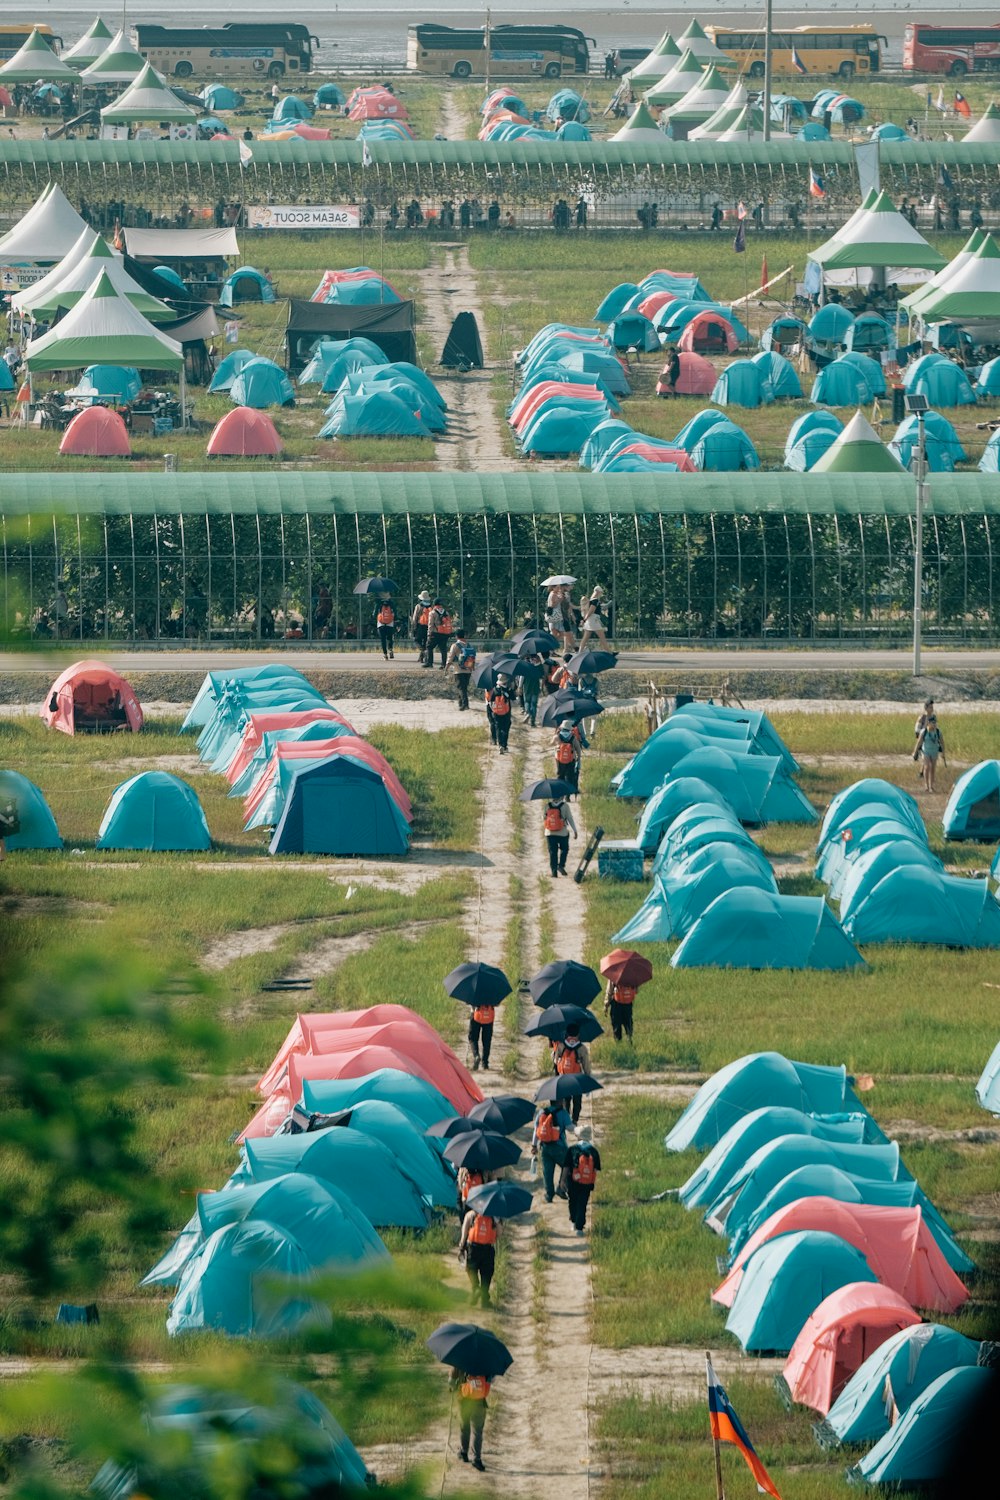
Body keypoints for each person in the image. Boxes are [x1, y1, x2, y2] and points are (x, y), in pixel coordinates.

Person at [560, 1124, 601, 1234]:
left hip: (573, 1181)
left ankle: (573, 1221)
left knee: (572, 1201)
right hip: (587, 1183)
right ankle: (579, 1228)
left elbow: (567, 1166)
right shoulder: (594, 1151)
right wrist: (590, 1180)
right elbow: (595, 1169)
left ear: (578, 1136)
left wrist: (562, 1180)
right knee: (583, 1203)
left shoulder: (572, 1149)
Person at [531, 1098, 574, 1202]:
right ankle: (560, 1188)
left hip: (544, 1147)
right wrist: (578, 1128)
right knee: (569, 1167)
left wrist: (534, 1145)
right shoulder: (563, 1113)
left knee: (548, 1172)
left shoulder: (542, 1112)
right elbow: (569, 1128)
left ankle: (549, 1195)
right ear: (559, 1102)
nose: (563, 1101)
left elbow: (537, 1130)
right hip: (559, 1147)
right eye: (562, 1100)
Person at [449, 1366, 490, 1470]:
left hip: (464, 1400)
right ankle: (477, 1459)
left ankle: (463, 1453)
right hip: (479, 1401)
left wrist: (453, 1387)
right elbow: (490, 1380)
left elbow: (451, 1381)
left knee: (464, 1426)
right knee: (477, 1431)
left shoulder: (460, 1359)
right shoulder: (486, 1360)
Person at [458, 1207, 498, 1309]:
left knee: (471, 1269)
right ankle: (484, 1300)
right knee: (486, 1274)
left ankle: (475, 1288)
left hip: (473, 1248)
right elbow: (500, 1233)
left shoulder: (471, 1215)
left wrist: (462, 1245)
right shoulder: (495, 1217)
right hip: (488, 1249)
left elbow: (465, 1231)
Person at [554, 1027, 591, 1124]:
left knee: (566, 1099)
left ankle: (566, 1119)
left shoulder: (561, 1045)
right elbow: (586, 1065)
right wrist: (588, 1080)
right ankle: (575, 1120)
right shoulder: (582, 1048)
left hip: (564, 1077)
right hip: (577, 1078)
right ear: (578, 1035)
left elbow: (555, 1060)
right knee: (577, 1101)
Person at [544, 793, 577, 878]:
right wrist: (575, 830)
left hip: (550, 833)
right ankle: (561, 865)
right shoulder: (565, 806)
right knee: (564, 849)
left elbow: (544, 818)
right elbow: (570, 818)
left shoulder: (547, 805)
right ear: (562, 797)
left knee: (552, 852)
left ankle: (554, 872)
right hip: (562, 832)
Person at [913, 709, 946, 793]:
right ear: (928, 723)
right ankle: (926, 786)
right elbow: (919, 742)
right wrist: (915, 752)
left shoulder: (938, 732)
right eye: (933, 723)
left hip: (934, 752)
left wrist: (943, 753)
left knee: (933, 769)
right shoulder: (924, 732)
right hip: (926, 751)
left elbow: (942, 743)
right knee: (927, 767)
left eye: (935, 723)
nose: (934, 724)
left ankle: (931, 786)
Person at [446, 629, 476, 709]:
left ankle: (465, 705)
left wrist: (446, 668)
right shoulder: (469, 645)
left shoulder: (455, 645)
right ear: (464, 635)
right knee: (463, 687)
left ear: (456, 636)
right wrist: (472, 667)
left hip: (458, 670)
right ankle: (460, 703)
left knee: (461, 688)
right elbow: (472, 657)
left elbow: (450, 658)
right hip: (468, 669)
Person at [604, 976, 638, 1042]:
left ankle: (618, 1042)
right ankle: (629, 1037)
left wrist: (606, 1005)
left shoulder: (614, 974)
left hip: (616, 1003)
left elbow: (609, 991)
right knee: (628, 1022)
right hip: (628, 1003)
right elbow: (636, 990)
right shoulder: (632, 974)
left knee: (616, 1023)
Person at [468, 994, 494, 1071]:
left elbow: (468, 1000)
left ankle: (476, 1056)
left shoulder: (474, 986)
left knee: (473, 1038)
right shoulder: (493, 987)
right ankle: (485, 1063)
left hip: (475, 1015)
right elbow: (497, 1003)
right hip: (488, 1016)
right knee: (487, 1040)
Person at [488, 676, 513, 753]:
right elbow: (513, 698)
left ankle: (500, 745)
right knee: (506, 728)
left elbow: (490, 701)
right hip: (506, 712)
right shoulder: (508, 690)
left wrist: (492, 710)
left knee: (498, 727)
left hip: (496, 712)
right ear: (505, 682)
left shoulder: (495, 690)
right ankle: (505, 745)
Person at [553, 724, 580, 794]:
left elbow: (551, 743)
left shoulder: (557, 736)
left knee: (560, 775)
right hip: (571, 759)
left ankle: (559, 790)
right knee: (569, 776)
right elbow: (578, 749)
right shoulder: (573, 737)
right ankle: (567, 795)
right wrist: (578, 758)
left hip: (560, 759)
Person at [520, 654, 541, 726]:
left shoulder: (526, 667)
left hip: (527, 688)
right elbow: (542, 677)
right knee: (534, 705)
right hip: (535, 688)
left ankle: (528, 713)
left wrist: (519, 687)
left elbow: (522, 678)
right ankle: (533, 721)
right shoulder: (539, 667)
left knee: (527, 702)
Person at [411, 590, 431, 659]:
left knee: (417, 640)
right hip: (428, 626)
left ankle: (423, 651)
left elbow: (415, 617)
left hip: (420, 625)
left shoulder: (419, 606)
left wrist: (414, 625)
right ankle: (421, 657)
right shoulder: (431, 606)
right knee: (425, 641)